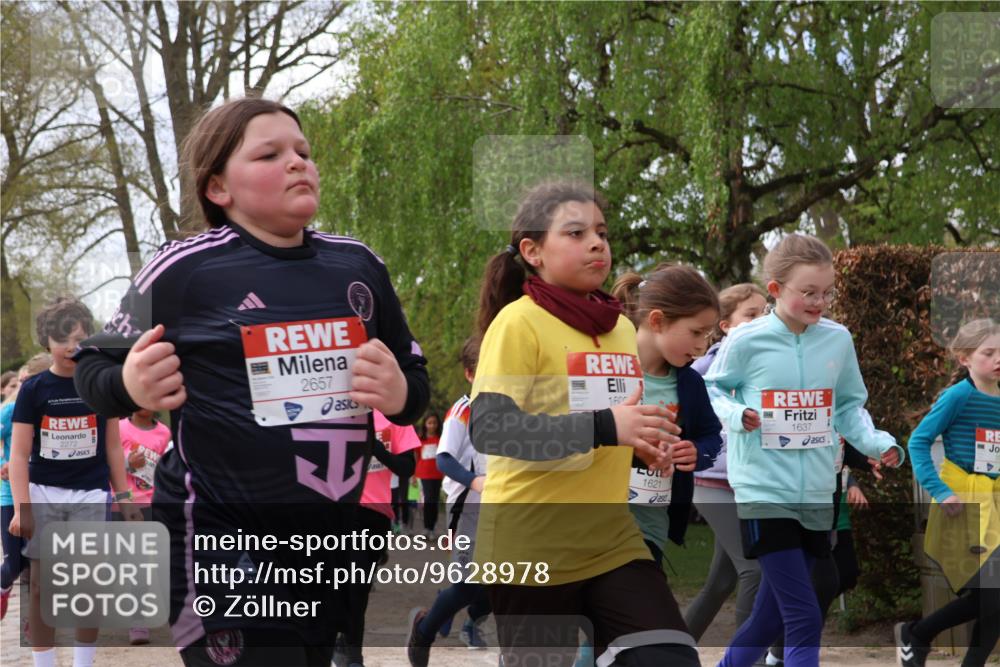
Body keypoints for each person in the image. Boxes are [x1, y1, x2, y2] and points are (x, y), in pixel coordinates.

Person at [72, 97, 429, 666]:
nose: (298, 163)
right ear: (218, 188)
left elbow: (414, 384)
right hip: (217, 537)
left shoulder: (359, 266)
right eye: (270, 153)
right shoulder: (183, 269)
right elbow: (91, 366)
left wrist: (401, 393)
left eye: (303, 151)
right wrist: (131, 386)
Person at [469, 181, 699, 667]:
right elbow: (492, 431)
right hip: (529, 545)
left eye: (601, 231)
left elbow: (615, 423)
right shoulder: (518, 323)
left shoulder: (619, 328)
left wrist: (644, 445)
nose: (597, 242)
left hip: (611, 540)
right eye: (575, 233)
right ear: (532, 251)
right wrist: (606, 428)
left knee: (670, 658)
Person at [705, 234, 903, 667]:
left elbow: (849, 407)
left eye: (827, 292)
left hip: (817, 491)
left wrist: (878, 443)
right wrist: (737, 414)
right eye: (808, 292)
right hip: (762, 490)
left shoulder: (838, 340)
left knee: (768, 618)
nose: (820, 301)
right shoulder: (747, 340)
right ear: (775, 290)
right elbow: (712, 389)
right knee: (803, 612)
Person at [8, 298, 140, 667]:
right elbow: (18, 455)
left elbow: (114, 447)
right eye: (61, 339)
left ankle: (84, 663)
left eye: (79, 339)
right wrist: (22, 507)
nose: (70, 347)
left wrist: (125, 497)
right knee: (41, 588)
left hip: (91, 493)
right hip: (44, 492)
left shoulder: (99, 384)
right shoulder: (34, 390)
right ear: (46, 342)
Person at [895, 318, 1000, 667]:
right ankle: (918, 634)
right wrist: (941, 492)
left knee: (994, 597)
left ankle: (920, 635)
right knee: (990, 594)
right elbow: (919, 442)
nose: (998, 358)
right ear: (964, 359)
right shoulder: (957, 396)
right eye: (989, 353)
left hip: (996, 505)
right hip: (963, 505)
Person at [610, 265, 723, 567]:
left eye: (708, 334)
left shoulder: (690, 384)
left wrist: (697, 452)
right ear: (657, 320)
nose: (702, 345)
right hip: (593, 524)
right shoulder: (605, 367)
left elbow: (712, 438)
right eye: (696, 332)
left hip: (650, 529)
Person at [684, 284, 767, 640]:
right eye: (750, 315)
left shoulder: (766, 364)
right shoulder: (705, 368)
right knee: (754, 571)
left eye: (765, 313)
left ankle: (671, 652)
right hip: (711, 483)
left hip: (745, 483)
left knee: (721, 583)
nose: (760, 321)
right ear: (725, 325)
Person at [407, 336, 492, 666]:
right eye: (487, 370)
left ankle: (463, 619)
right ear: (470, 374)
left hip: (500, 510)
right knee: (468, 587)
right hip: (466, 510)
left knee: (505, 583)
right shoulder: (461, 412)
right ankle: (424, 629)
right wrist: (475, 480)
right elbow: (443, 459)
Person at [336, 410, 419, 667]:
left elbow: (408, 467)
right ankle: (344, 647)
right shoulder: (334, 410)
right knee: (336, 585)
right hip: (335, 510)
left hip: (373, 514)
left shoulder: (393, 416)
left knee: (358, 587)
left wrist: (375, 448)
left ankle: (351, 652)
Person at [0, 354, 51, 622]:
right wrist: (3, 464)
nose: (25, 388)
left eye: (29, 381)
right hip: (11, 496)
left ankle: (35, 620)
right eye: (21, 382)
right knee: (15, 563)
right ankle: (2, 587)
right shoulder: (10, 411)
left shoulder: (52, 408)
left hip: (43, 493)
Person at [118, 407, 172, 645]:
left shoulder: (164, 433)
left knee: (163, 560)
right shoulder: (119, 427)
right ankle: (136, 620)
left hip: (155, 501)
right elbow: (109, 465)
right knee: (135, 564)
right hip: (126, 503)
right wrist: (128, 464)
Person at [414, 412, 444, 536]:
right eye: (429, 423)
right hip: (423, 474)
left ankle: (432, 526)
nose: (432, 426)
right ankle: (427, 527)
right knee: (427, 500)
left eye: (434, 423)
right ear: (425, 424)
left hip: (437, 474)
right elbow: (416, 456)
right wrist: (414, 475)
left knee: (434, 500)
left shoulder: (441, 439)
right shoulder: (420, 439)